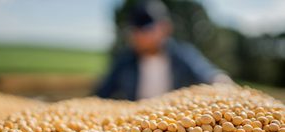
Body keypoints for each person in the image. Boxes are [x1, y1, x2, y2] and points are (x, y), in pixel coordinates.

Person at [95, 0, 232, 100]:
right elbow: (102, 93)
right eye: (136, 31)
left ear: (165, 28)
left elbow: (205, 72)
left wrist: (221, 80)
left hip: (174, 125)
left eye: (147, 30)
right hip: (136, 124)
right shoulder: (124, 62)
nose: (141, 36)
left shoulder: (182, 54)